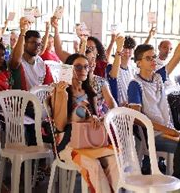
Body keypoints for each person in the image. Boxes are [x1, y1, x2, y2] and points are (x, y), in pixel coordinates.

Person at [127, 16, 180, 156]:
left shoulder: (158, 77)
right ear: (138, 63)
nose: (153, 60)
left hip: (168, 130)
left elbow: (177, 56)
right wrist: (167, 131)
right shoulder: (135, 85)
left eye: (154, 57)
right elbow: (137, 118)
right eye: (148, 58)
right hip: (153, 135)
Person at [50, 53, 118, 192]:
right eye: (78, 67)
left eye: (86, 67)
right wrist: (63, 96)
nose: (83, 70)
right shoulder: (59, 91)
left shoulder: (89, 91)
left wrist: (96, 118)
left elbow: (92, 117)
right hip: (68, 145)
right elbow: (60, 125)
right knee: (93, 165)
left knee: (115, 160)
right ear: (69, 69)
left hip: (89, 142)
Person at [106, 35, 137, 105]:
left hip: (131, 108)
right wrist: (118, 47)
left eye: (129, 48)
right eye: (124, 48)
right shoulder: (111, 67)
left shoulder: (132, 69)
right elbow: (113, 76)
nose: (127, 51)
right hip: (117, 109)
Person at [86, 49, 116, 117]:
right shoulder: (76, 82)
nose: (91, 62)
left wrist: (115, 114)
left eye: (93, 59)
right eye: (87, 59)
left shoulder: (101, 81)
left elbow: (111, 101)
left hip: (99, 118)